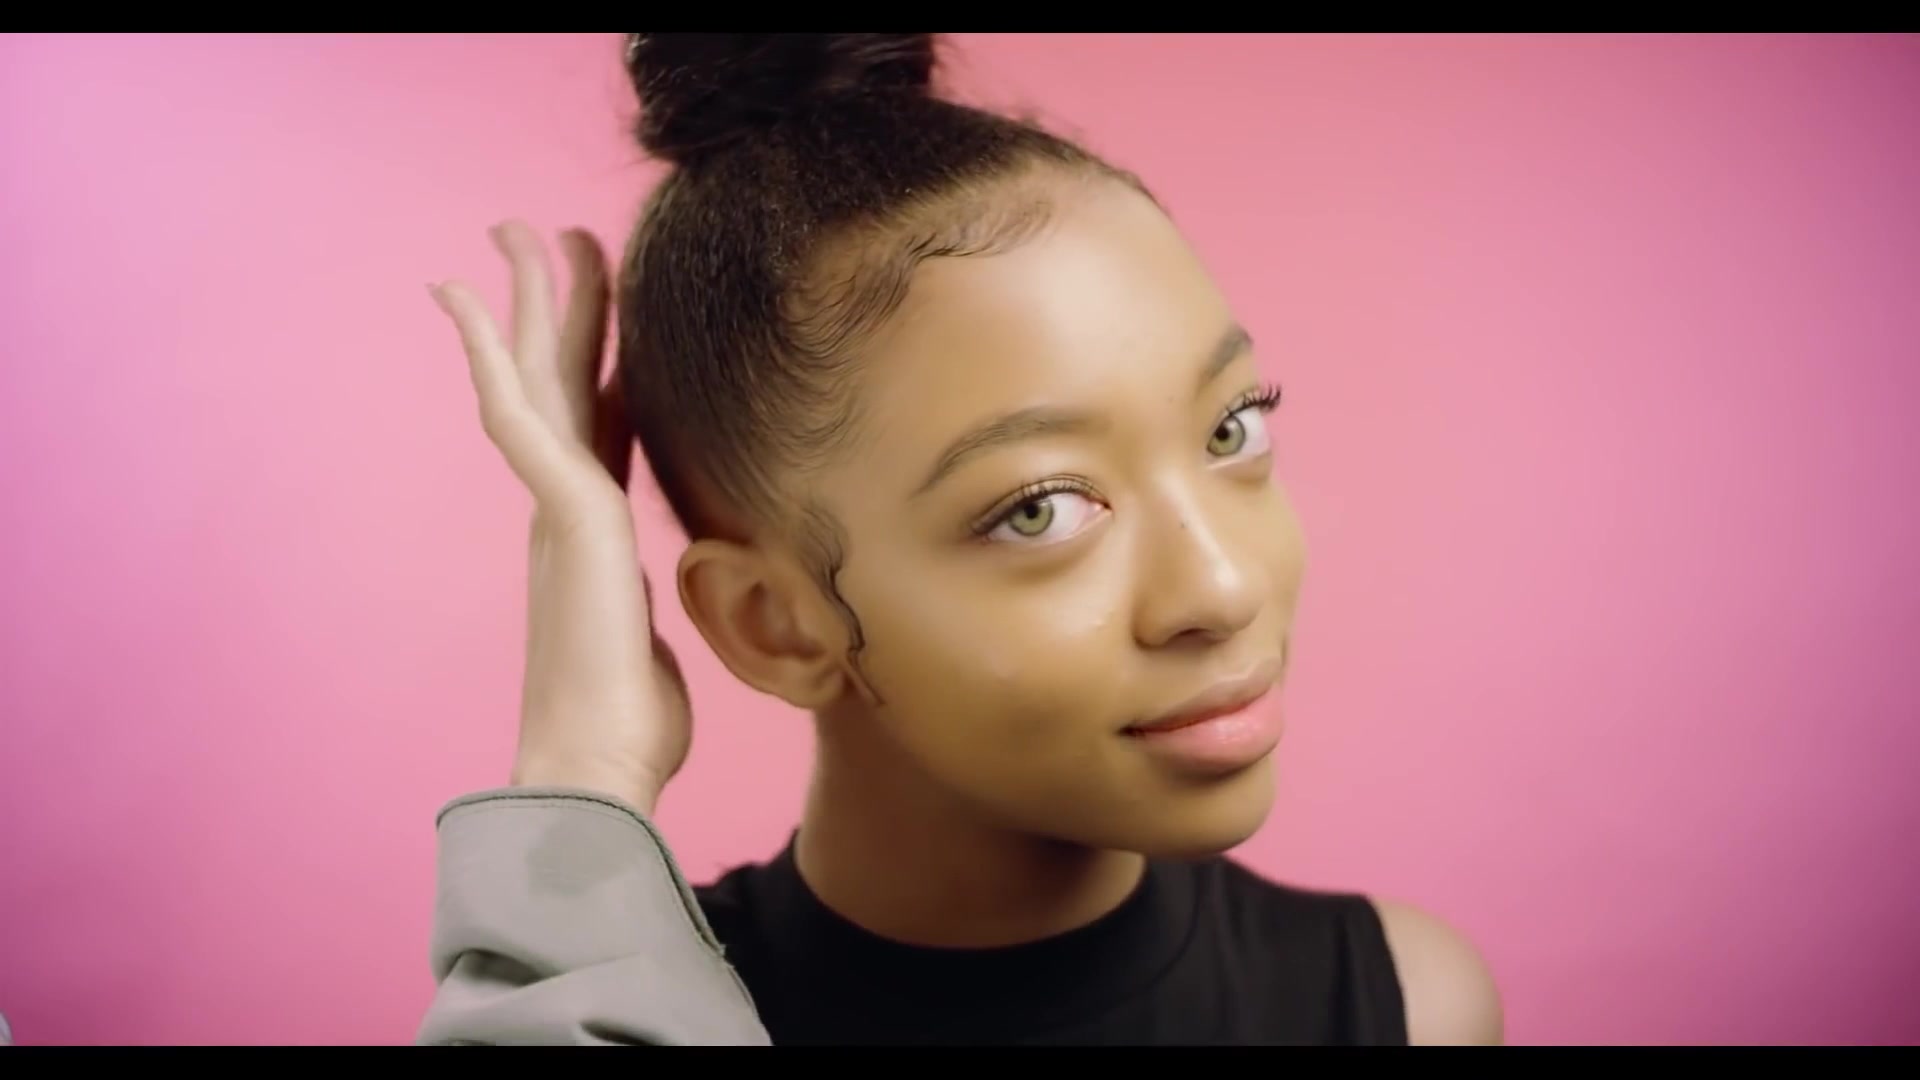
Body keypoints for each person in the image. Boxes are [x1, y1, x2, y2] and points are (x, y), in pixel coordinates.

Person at [415, 32, 1503, 1046]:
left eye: (1232, 429)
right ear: (774, 623)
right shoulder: (614, 999)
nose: (1221, 588)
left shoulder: (1408, 1009)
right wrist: (583, 771)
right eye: (1040, 508)